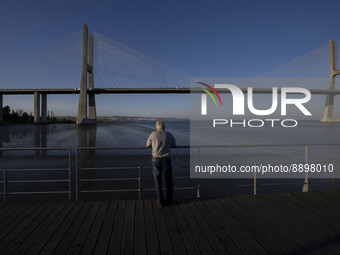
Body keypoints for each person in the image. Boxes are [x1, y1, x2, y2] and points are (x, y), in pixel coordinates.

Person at [146, 121, 176, 208]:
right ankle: (169, 201)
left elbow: (147, 145)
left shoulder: (153, 134)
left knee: (158, 182)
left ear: (156, 127)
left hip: (155, 159)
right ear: (164, 127)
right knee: (169, 181)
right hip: (167, 159)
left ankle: (160, 202)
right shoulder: (169, 134)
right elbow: (174, 145)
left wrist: (155, 144)